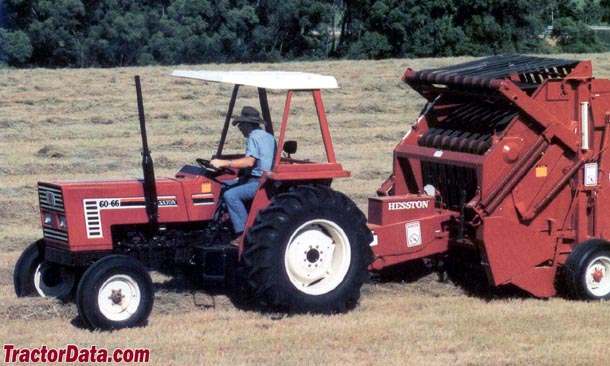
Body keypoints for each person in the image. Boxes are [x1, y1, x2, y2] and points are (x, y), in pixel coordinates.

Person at [210, 106, 275, 244]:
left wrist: (224, 163)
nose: (239, 128)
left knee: (230, 195)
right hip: (261, 177)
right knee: (226, 185)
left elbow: (249, 162)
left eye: (240, 124)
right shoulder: (268, 136)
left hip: (259, 181)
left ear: (248, 124)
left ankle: (244, 234)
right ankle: (224, 223)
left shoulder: (254, 137)